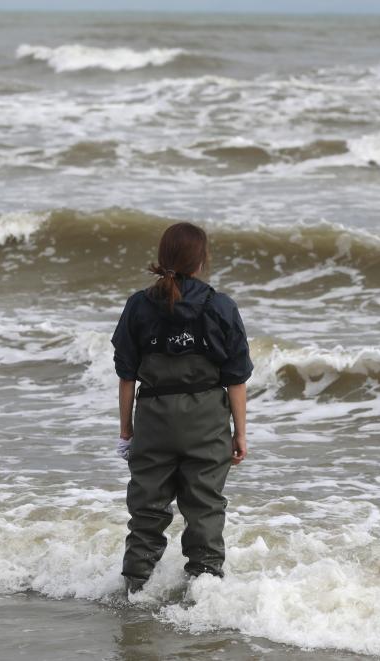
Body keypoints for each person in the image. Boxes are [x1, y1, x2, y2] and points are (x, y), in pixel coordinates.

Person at [111, 221, 252, 594]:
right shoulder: (221, 306)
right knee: (205, 510)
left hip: (154, 420)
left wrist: (127, 431)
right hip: (206, 423)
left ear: (163, 258)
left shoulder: (139, 306)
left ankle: (133, 593)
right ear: (201, 261)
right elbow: (235, 379)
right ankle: (204, 599)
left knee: (146, 513)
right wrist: (240, 433)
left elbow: (127, 376)